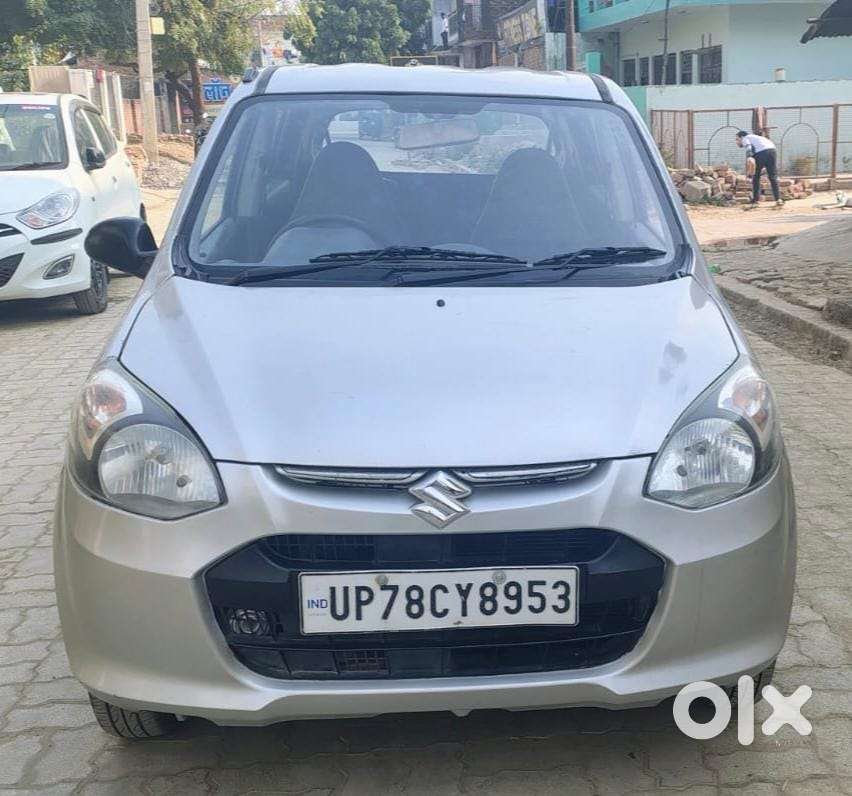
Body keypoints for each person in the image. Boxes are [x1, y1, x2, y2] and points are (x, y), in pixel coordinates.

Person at [736, 130, 783, 209]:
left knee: (756, 177)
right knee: (773, 176)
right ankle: (778, 199)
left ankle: (755, 201)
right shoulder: (756, 138)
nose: (737, 142)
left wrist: (749, 156)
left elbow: (748, 146)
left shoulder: (745, 138)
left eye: (737, 139)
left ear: (741, 137)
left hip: (761, 153)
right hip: (772, 151)